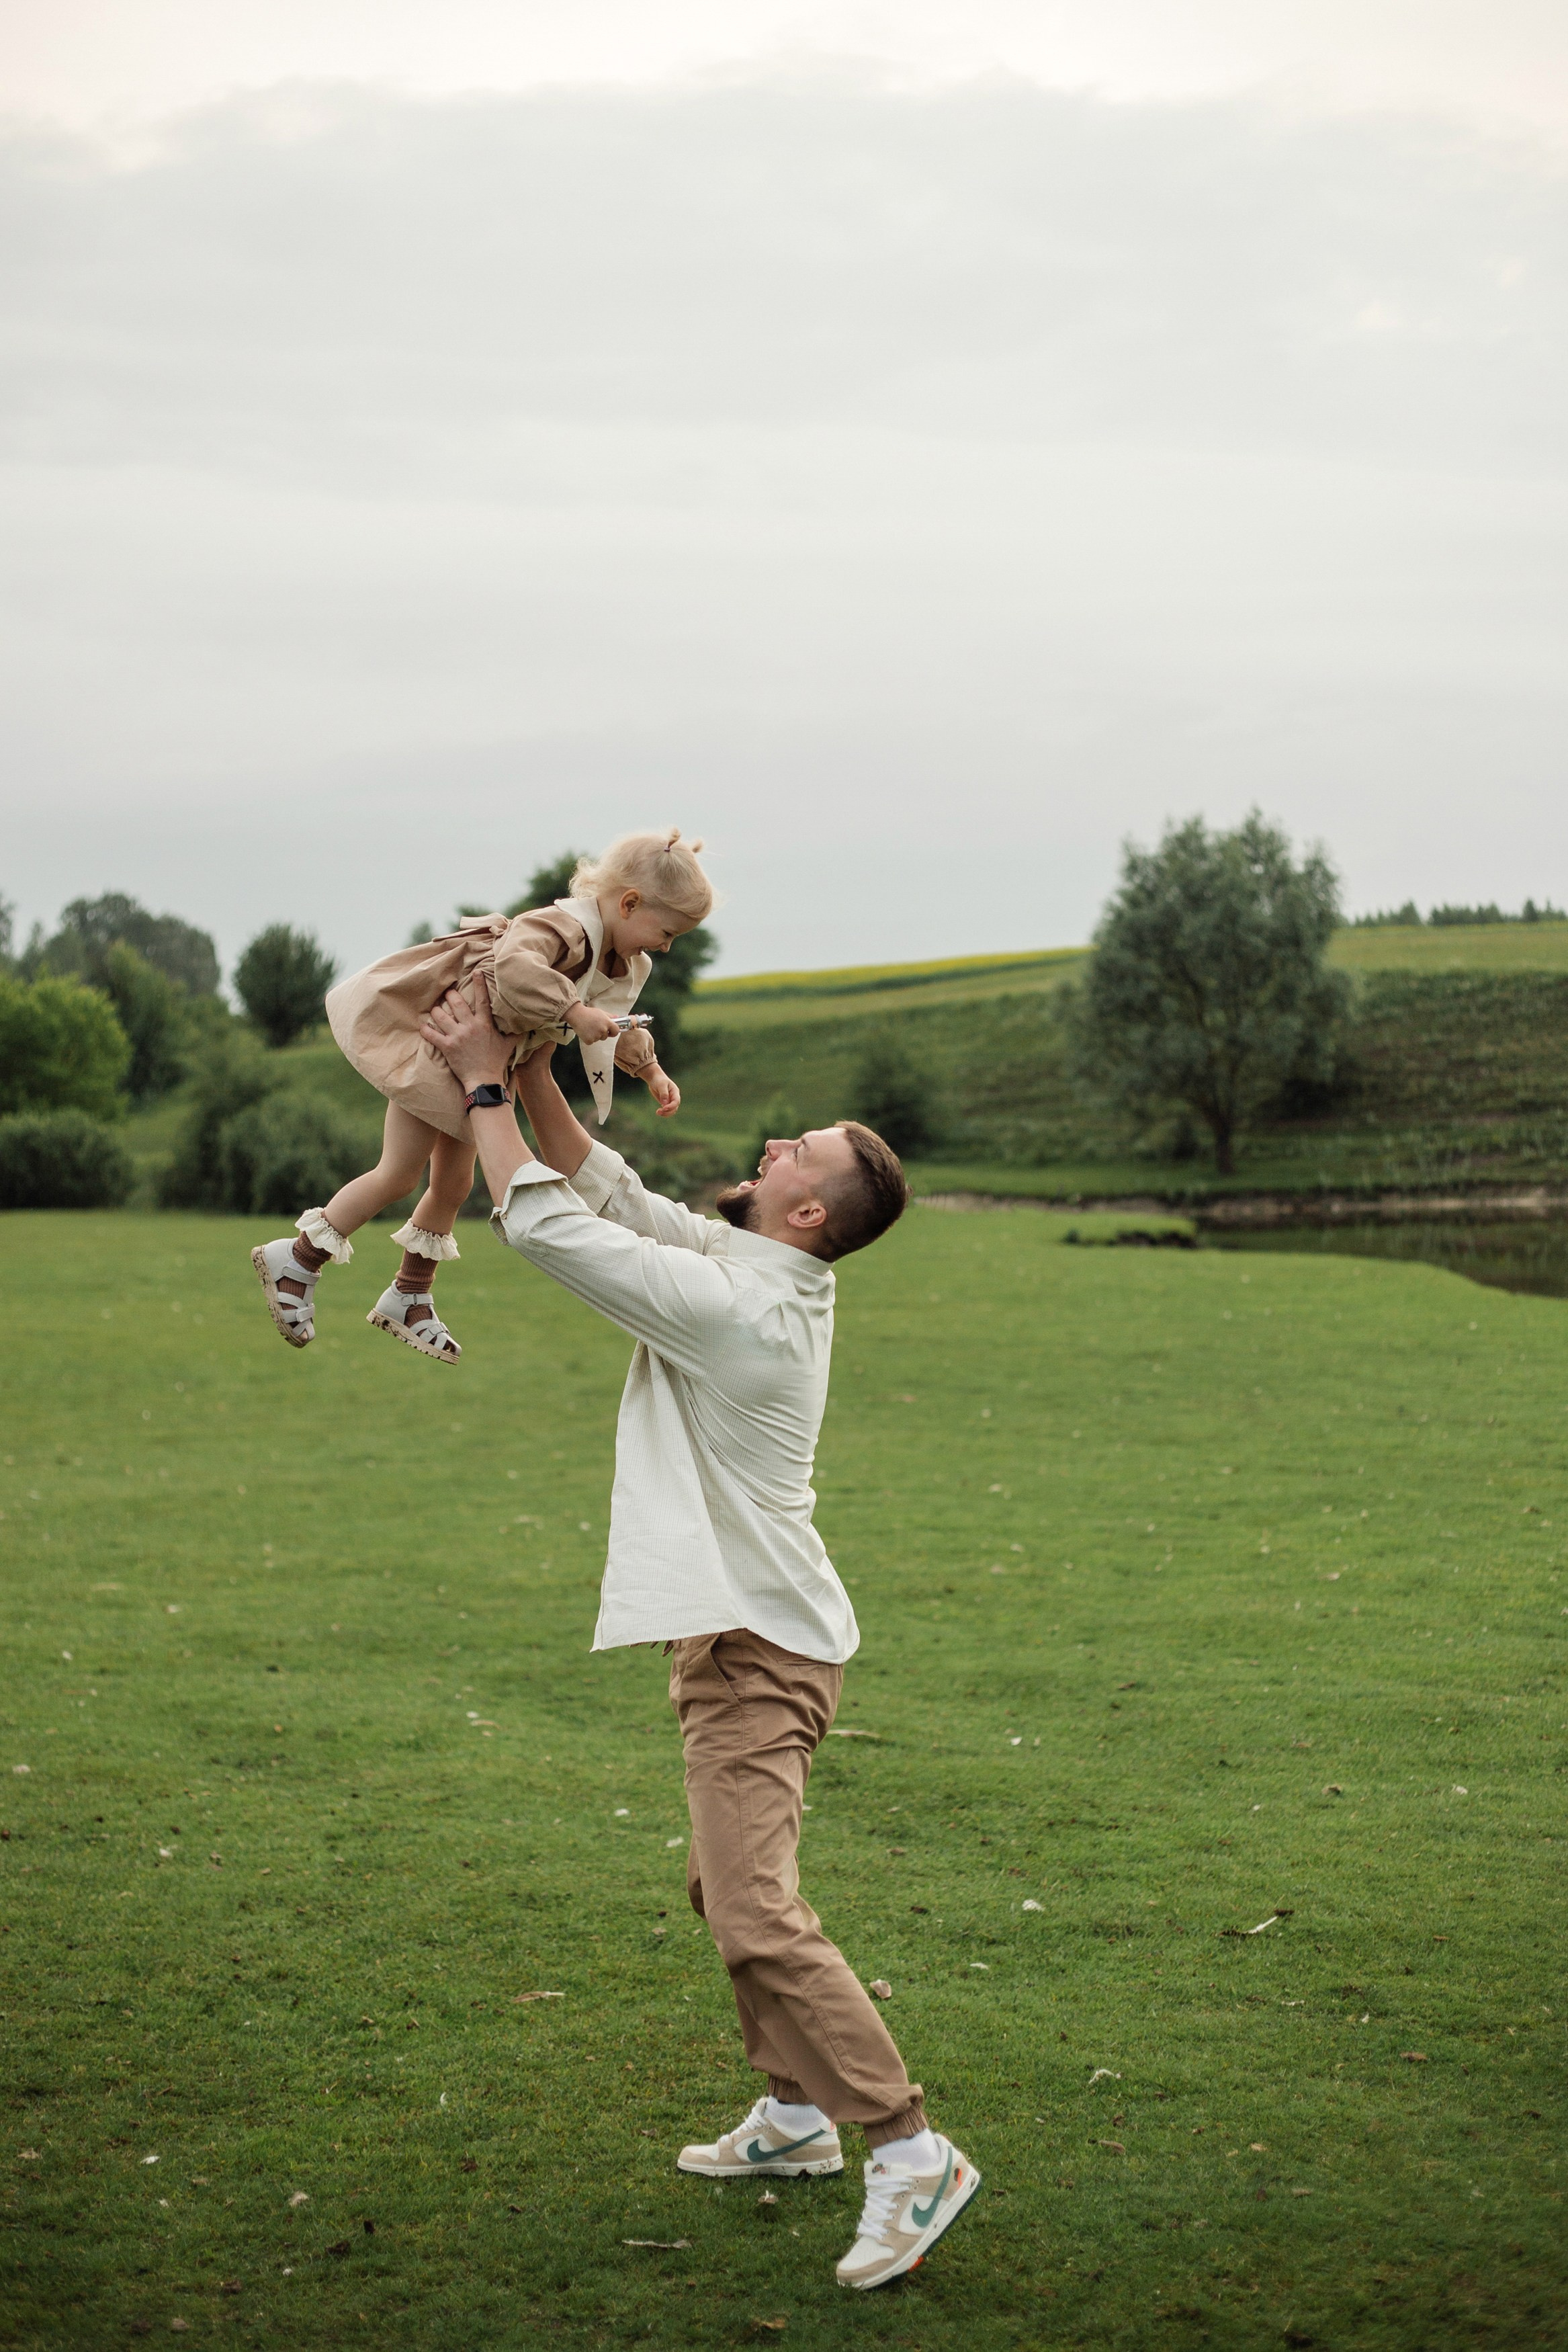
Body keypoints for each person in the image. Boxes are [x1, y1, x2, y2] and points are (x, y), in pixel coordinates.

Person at [415, 978, 982, 2294]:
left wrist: (488, 1091)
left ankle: (909, 2145)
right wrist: (531, 1052)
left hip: (762, 1653)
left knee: (752, 1912)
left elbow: (554, 1232)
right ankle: (793, 2117)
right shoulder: (753, 1264)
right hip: (738, 1638)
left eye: (802, 1152)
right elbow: (606, 1189)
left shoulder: (744, 1311)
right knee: (719, 1888)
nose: (778, 1142)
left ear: (803, 1209)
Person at [249, 829, 710, 1363]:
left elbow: (611, 1017)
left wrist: (648, 1067)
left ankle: (410, 1292)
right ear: (629, 903)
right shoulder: (563, 926)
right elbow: (516, 968)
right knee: (399, 1173)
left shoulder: (617, 960)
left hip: (488, 1064)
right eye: (667, 930)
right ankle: (299, 1258)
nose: (667, 946)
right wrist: (572, 1012)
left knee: (454, 1183)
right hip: (450, 1048)